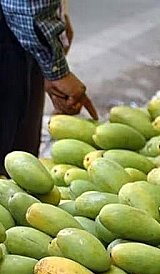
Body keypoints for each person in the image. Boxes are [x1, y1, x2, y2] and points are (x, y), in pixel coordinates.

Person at [0, 0, 96, 160]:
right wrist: (56, 69)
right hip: (12, 38)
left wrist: (59, 17)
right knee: (15, 160)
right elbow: (25, 4)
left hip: (17, 31)